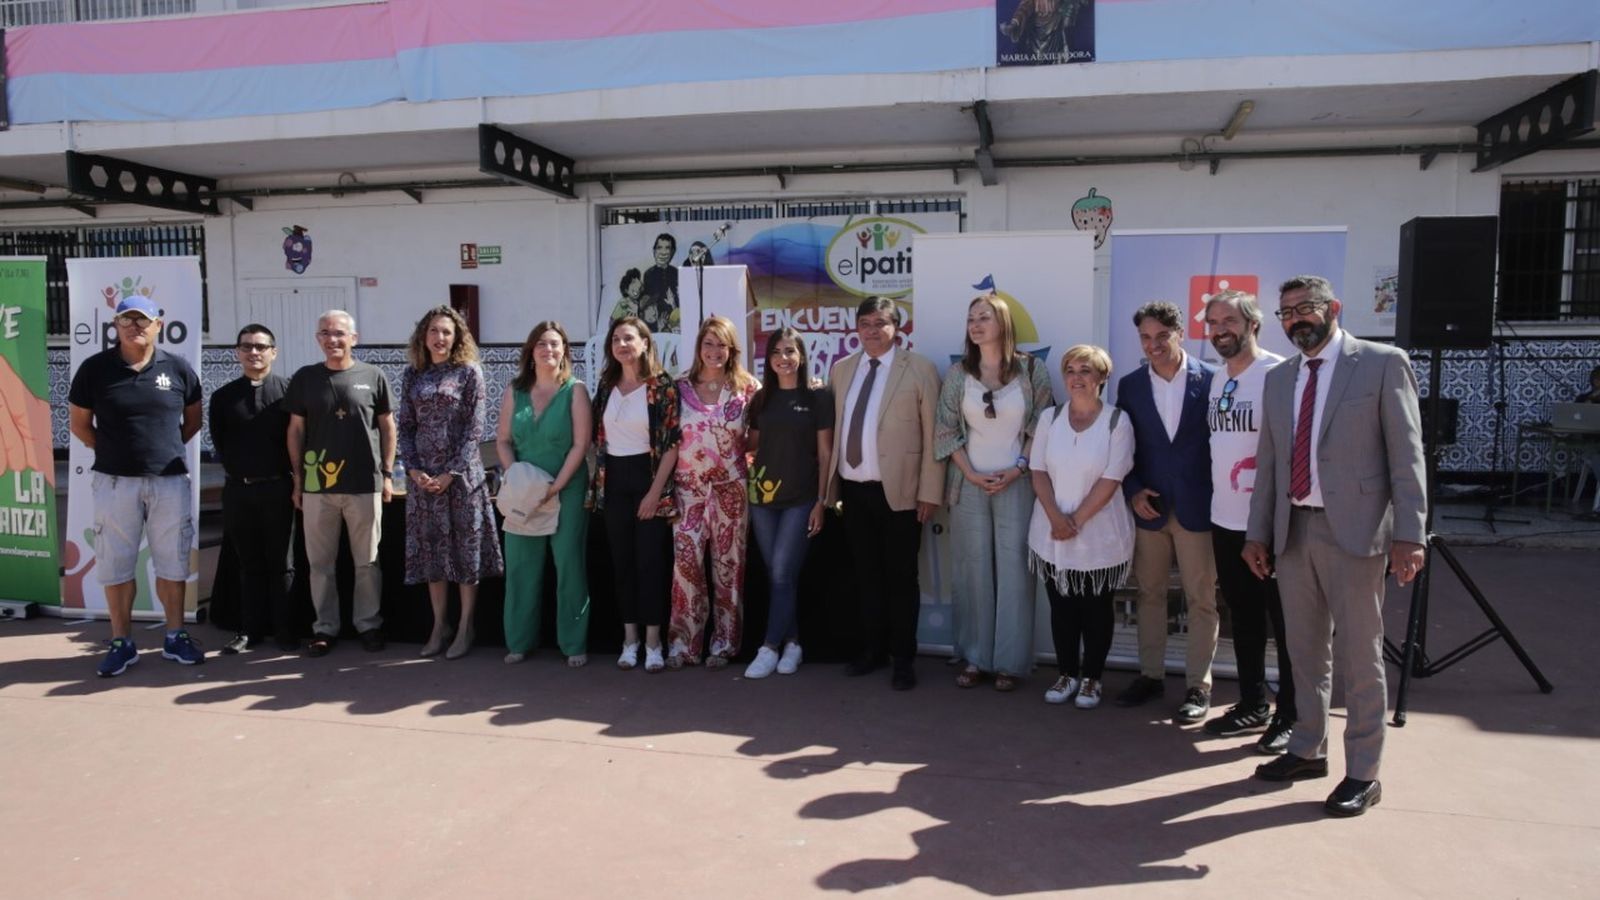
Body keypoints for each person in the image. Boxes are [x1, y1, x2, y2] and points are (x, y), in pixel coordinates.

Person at [1245, 275, 1427, 818]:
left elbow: (1407, 456)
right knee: (1303, 651)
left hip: (1358, 533)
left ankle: (1365, 773)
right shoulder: (1280, 378)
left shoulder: (1381, 363)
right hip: (1293, 531)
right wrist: (1257, 533)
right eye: (1287, 312)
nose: (1297, 318)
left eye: (1306, 308)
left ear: (1333, 309)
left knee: (1360, 655)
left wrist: (1410, 534)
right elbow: (1270, 464)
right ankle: (1307, 748)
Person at [68, 294, 205, 676]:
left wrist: (159, 452)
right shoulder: (94, 370)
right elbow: (79, 426)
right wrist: (114, 451)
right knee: (115, 565)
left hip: (170, 481)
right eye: (126, 320)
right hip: (114, 483)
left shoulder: (178, 369)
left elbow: (192, 421)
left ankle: (175, 636)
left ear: (158, 324)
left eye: (142, 319)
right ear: (116, 326)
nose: (135, 326)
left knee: (173, 564)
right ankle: (121, 642)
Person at [934, 294, 1053, 691]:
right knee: (972, 571)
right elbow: (946, 431)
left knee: (1015, 572)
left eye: (984, 317)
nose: (976, 324)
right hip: (968, 485)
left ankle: (1010, 663)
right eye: (970, 318)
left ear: (1003, 323)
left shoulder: (1032, 370)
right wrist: (970, 473)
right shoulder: (957, 374)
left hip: (1016, 484)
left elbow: (1041, 424)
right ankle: (974, 657)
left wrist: (1017, 469)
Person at [826, 296, 943, 691]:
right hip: (854, 494)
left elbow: (934, 436)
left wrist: (929, 491)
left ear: (898, 328)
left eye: (880, 323)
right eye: (865, 323)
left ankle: (903, 658)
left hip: (903, 494)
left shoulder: (920, 369)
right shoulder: (842, 370)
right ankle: (872, 650)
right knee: (865, 576)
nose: (872, 331)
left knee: (901, 578)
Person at [1198, 290, 1296, 753]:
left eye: (1229, 321)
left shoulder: (1280, 373)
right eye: (1213, 321)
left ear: (1253, 324)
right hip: (1226, 520)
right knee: (1244, 617)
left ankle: (1292, 715)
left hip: (1272, 524)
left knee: (1288, 620)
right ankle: (1254, 702)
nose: (1220, 329)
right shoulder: (1219, 379)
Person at [1113, 301, 1220, 723]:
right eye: (1145, 338)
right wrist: (1133, 490)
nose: (1153, 345)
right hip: (1150, 507)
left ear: (1180, 334)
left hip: (1199, 506)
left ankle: (1199, 685)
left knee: (1201, 598)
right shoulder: (1130, 385)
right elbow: (1123, 446)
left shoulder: (1214, 380)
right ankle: (1150, 675)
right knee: (1150, 594)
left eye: (1161, 336)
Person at [1027, 345, 1135, 709]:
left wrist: (1075, 521)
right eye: (1070, 370)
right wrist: (1056, 519)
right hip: (1051, 532)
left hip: (1099, 536)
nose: (1076, 378)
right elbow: (1037, 470)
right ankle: (1067, 674)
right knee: (1062, 608)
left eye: (1085, 370)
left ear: (1102, 377)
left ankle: (1092, 679)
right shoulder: (1049, 418)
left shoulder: (1118, 421)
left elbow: (1111, 478)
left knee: (1096, 609)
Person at [286, 309, 396, 657]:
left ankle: (369, 625)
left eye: (339, 333)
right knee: (320, 565)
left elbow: (388, 427)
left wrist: (389, 474)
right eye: (325, 333)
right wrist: (298, 481)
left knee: (367, 563)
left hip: (365, 484)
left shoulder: (374, 376)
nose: (332, 340)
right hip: (318, 488)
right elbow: (295, 431)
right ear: (318, 338)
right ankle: (325, 629)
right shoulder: (304, 378)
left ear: (354, 338)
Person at [398, 305, 504, 659]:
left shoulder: (469, 373)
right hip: (422, 480)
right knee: (432, 555)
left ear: (457, 336)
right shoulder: (413, 375)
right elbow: (406, 426)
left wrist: (450, 474)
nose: (439, 338)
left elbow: (476, 430)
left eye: (446, 332)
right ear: (423, 337)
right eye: (433, 331)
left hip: (461, 480)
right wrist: (413, 470)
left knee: (464, 554)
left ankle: (465, 626)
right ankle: (439, 624)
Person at [496, 321, 593, 667]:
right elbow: (503, 440)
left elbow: (581, 445)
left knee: (568, 564)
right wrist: (518, 478)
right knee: (522, 565)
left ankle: (573, 642)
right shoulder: (514, 390)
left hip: (566, 489)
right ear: (531, 350)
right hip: (524, 495)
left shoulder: (576, 391)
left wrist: (553, 487)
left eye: (555, 344)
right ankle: (519, 641)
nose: (548, 350)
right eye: (541, 344)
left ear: (564, 350)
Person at [590, 316, 681, 673]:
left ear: (645, 343)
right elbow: (597, 440)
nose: (622, 345)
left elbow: (672, 443)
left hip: (649, 479)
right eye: (616, 339)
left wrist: (654, 493)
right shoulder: (606, 385)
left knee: (651, 564)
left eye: (629, 338)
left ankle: (654, 643)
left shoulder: (661, 386)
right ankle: (630, 641)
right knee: (623, 563)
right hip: (613, 481)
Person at [667, 316, 758, 668]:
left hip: (730, 491)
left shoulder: (748, 388)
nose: (715, 351)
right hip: (688, 492)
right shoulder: (678, 386)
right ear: (698, 347)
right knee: (685, 568)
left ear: (731, 349)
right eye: (709, 343)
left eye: (722, 344)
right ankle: (683, 646)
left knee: (728, 568)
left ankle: (724, 644)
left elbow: (761, 434)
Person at [743, 329, 834, 679]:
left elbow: (825, 452)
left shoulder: (817, 397)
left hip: (802, 499)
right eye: (777, 351)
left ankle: (768, 648)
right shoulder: (761, 399)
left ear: (801, 355)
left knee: (782, 572)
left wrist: (822, 501)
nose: (784, 357)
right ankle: (793, 644)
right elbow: (751, 445)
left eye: (790, 351)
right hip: (763, 499)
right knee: (779, 576)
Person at [208, 324, 296, 655]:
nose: (254, 352)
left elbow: (298, 441)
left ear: (273, 351)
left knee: (282, 563)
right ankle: (250, 630)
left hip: (279, 488)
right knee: (249, 563)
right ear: (237, 353)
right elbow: (221, 443)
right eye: (247, 347)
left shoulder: (289, 393)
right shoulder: (223, 398)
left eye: (261, 347)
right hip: (239, 491)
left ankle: (285, 629)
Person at [638, 233, 680, 334]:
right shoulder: (648, 274)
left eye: (667, 248)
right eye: (659, 248)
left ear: (672, 252)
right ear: (654, 251)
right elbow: (646, 302)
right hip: (654, 326)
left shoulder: (677, 273)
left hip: (676, 324)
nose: (663, 253)